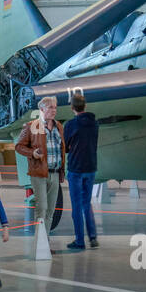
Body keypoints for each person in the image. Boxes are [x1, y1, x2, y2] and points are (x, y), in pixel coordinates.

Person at [15, 96, 65, 233]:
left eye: (55, 107)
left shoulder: (58, 126)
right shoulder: (32, 125)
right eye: (50, 107)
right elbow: (19, 146)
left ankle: (45, 241)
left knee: (50, 210)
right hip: (39, 174)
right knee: (41, 208)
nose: (54, 110)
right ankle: (39, 242)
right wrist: (32, 153)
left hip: (55, 173)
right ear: (42, 109)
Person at [62, 93, 99, 250]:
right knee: (86, 203)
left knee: (76, 205)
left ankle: (79, 241)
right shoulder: (95, 123)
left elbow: (65, 146)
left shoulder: (71, 124)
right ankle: (92, 237)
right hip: (91, 167)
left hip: (76, 168)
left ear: (72, 108)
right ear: (85, 106)